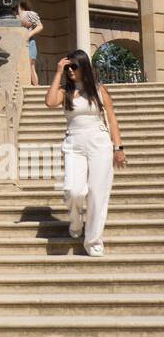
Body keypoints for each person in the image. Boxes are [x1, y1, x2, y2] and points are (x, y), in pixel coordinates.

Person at [45, 49, 126, 256]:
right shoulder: (64, 91)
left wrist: (118, 148)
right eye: (68, 67)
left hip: (99, 142)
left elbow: (112, 119)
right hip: (74, 142)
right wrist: (57, 72)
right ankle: (75, 221)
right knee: (74, 190)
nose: (71, 70)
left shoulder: (99, 89)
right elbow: (50, 102)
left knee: (98, 194)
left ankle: (93, 241)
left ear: (84, 67)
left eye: (74, 66)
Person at [18, 0, 43, 86]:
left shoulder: (30, 14)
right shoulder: (12, 15)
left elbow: (40, 26)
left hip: (29, 43)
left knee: (31, 65)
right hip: (18, 43)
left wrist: (29, 34)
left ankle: (36, 86)